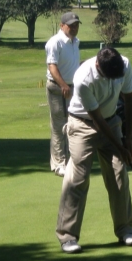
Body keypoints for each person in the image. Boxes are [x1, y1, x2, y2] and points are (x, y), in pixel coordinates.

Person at [56, 47, 132, 254]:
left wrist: (128, 139)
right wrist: (120, 146)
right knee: (78, 176)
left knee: (119, 171)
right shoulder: (83, 78)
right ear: (98, 67)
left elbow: (129, 99)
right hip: (83, 122)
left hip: (111, 121)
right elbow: (97, 119)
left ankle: (125, 229)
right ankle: (68, 236)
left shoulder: (124, 65)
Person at [45, 12, 81, 177]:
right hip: (57, 87)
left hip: (72, 87)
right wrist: (63, 85)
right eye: (71, 25)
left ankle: (70, 160)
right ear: (62, 25)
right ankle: (59, 164)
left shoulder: (75, 42)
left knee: (72, 124)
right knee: (59, 126)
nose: (74, 28)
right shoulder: (55, 42)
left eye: (76, 25)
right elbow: (52, 66)